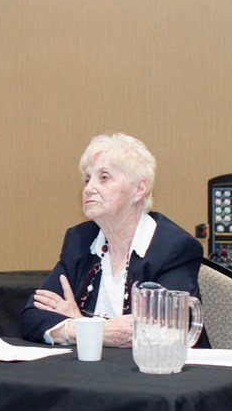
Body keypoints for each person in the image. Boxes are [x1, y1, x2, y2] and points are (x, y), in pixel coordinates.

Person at [19, 133, 207, 348]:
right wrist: (85, 329)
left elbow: (160, 330)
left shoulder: (173, 247)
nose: (89, 188)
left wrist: (78, 322)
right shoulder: (80, 240)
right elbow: (31, 318)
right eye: (87, 179)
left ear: (138, 189)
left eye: (104, 177)